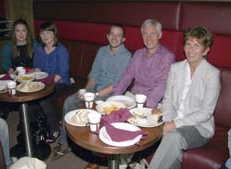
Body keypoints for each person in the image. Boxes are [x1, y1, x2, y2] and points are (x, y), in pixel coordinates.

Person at [51, 24, 132, 161]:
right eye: (112, 34)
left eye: (118, 35)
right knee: (69, 102)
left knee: (94, 110)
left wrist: (94, 96)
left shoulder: (127, 56)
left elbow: (116, 85)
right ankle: (65, 143)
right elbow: (94, 75)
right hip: (94, 90)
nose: (114, 37)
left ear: (123, 39)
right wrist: (86, 91)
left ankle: (95, 151)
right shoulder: (102, 51)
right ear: (107, 36)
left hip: (110, 95)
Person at [148, 26, 221, 169]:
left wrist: (174, 125)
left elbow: (206, 113)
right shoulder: (175, 69)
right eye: (188, 44)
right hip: (172, 120)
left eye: (196, 45)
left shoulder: (212, 74)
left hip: (198, 128)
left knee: (173, 137)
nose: (191, 49)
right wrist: (169, 122)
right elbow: (167, 100)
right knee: (168, 142)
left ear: (206, 50)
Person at [113, 19, 175, 108]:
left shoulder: (167, 57)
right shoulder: (138, 54)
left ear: (160, 35)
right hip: (133, 98)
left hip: (153, 104)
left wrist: (143, 107)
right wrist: (115, 97)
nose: (148, 38)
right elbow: (127, 76)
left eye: (153, 33)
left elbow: (161, 85)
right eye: (145, 34)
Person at [33, 21, 70, 143]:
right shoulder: (39, 49)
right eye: (43, 33)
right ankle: (35, 126)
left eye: (48, 32)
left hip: (60, 83)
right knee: (30, 98)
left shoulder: (61, 50)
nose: (45, 36)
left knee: (44, 100)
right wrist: (38, 80)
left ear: (54, 34)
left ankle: (55, 130)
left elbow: (62, 72)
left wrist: (46, 85)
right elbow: (37, 68)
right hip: (43, 81)